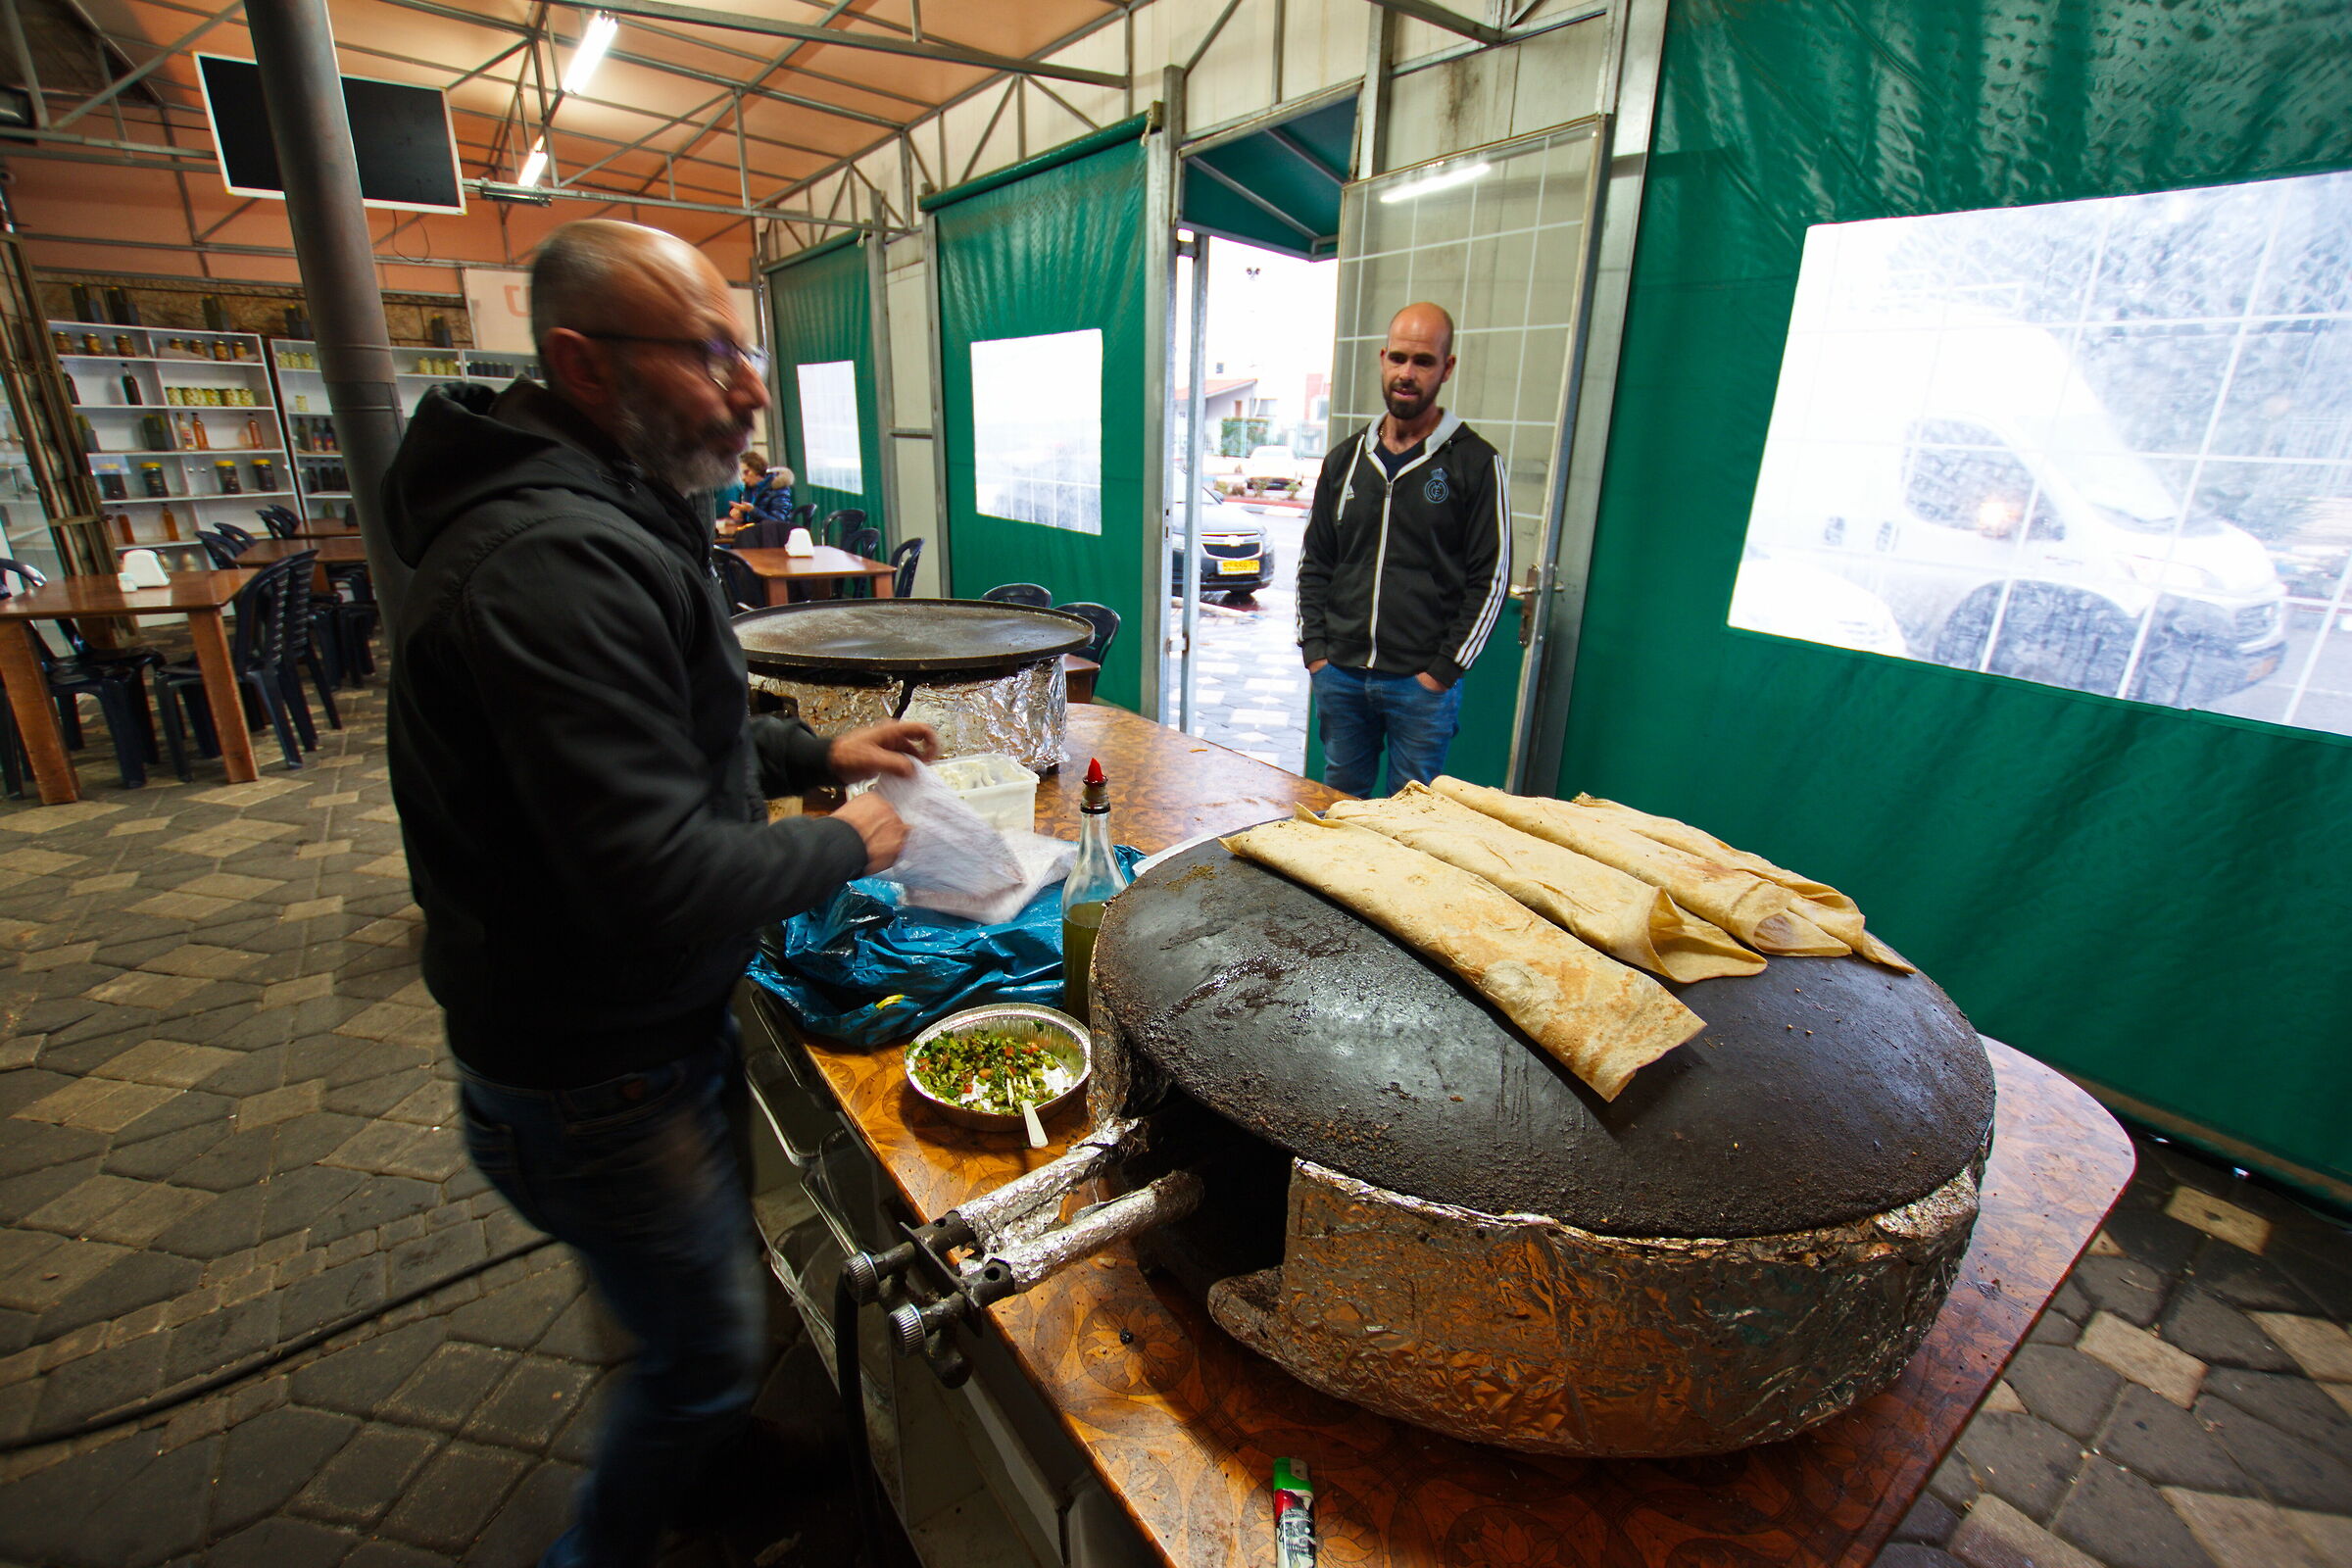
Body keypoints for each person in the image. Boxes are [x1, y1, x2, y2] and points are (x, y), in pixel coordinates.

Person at [383, 218, 936, 1568]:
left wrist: (817, 751)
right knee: (699, 1344)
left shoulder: (599, 501)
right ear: (581, 364)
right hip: (592, 1071)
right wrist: (847, 840)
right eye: (708, 354)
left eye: (743, 348)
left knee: (684, 1302)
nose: (750, 386)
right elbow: (655, 874)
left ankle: (716, 1457)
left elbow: (669, 727)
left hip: (613, 1047)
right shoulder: (549, 563)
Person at [1296, 301, 1509, 797]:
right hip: (1341, 676)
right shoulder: (1345, 460)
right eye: (1398, 358)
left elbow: (1491, 578)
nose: (1406, 373)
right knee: (1338, 809)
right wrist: (1317, 653)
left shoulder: (1475, 463)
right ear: (1383, 358)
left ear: (1447, 368)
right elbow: (1316, 562)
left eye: (1424, 361)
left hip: (1421, 687)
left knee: (1411, 822)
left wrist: (1443, 672)